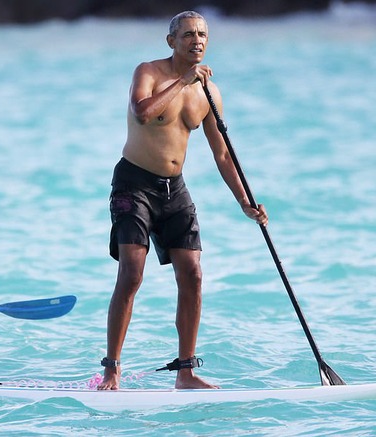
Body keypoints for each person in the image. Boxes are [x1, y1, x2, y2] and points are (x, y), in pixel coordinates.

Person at [98, 11, 268, 390]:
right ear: (171, 40)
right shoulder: (149, 71)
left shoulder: (209, 92)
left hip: (175, 189)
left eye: (203, 34)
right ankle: (111, 370)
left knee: (192, 274)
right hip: (133, 185)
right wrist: (181, 81)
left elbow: (222, 154)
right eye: (189, 34)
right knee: (131, 273)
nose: (198, 40)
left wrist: (244, 201)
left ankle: (186, 372)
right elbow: (143, 113)